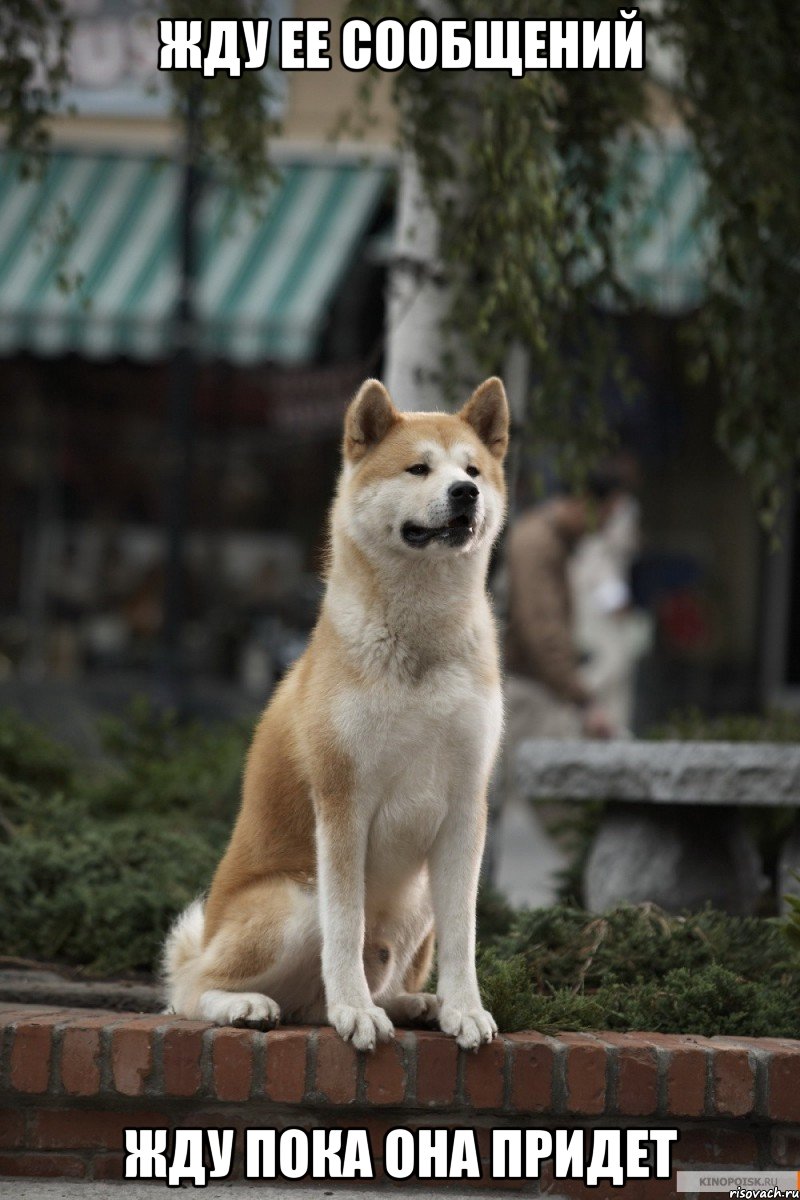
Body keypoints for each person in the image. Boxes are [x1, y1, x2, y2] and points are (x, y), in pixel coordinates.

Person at [504, 470, 627, 743]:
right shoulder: (538, 544)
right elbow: (542, 630)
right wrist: (583, 701)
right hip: (527, 691)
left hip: (537, 687)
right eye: (606, 515)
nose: (605, 527)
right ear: (586, 502)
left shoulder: (551, 541)